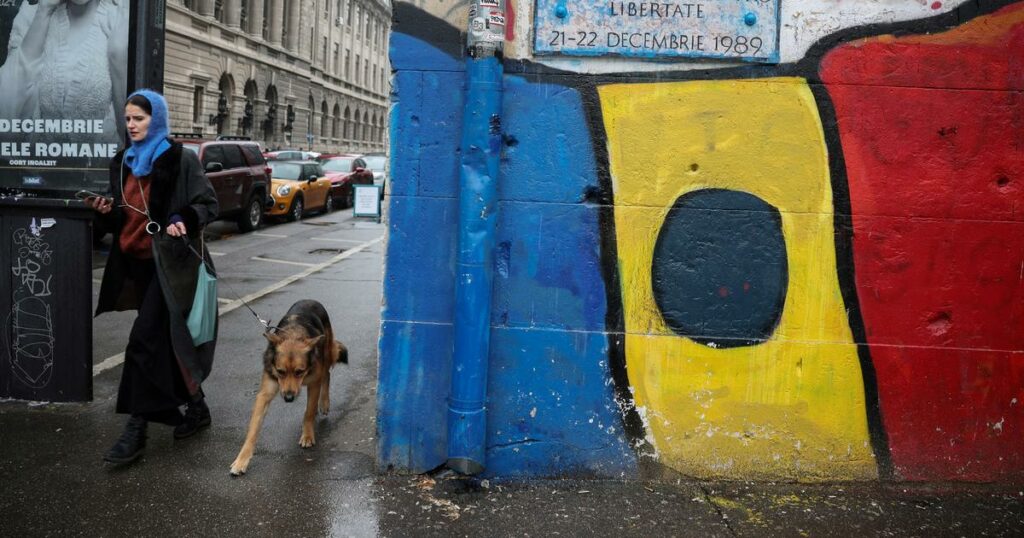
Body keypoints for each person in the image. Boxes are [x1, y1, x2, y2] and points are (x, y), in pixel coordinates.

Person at [86, 89, 219, 464]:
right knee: (169, 343)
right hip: (136, 266)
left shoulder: (179, 159)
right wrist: (102, 212)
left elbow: (208, 204)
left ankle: (136, 429)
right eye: (128, 119)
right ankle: (197, 407)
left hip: (172, 267)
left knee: (143, 341)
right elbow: (120, 220)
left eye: (139, 118)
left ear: (156, 119)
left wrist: (183, 219)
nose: (132, 125)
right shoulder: (124, 162)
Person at [0, 0, 129, 144]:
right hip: (40, 164)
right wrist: (44, 11)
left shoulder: (121, 16)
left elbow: (134, 144)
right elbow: (5, 117)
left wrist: (118, 57)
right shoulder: (30, 15)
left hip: (101, 165)